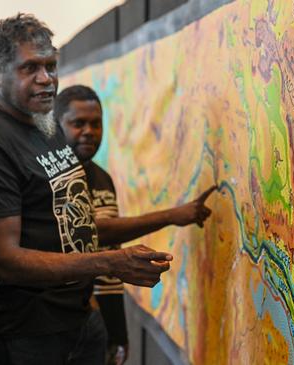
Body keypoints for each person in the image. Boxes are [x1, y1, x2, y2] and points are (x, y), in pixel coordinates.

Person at [0, 14, 187, 365]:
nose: (47, 79)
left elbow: (69, 221)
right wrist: (110, 261)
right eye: (30, 68)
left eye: (51, 66)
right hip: (24, 337)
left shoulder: (43, 121)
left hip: (77, 319)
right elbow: (6, 261)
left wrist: (88, 296)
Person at [55, 85, 217, 365]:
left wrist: (118, 332)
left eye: (96, 123)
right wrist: (171, 216)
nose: (89, 131)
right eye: (78, 123)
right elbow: (94, 231)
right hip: (69, 326)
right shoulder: (55, 180)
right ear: (57, 126)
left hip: (104, 324)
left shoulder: (102, 177)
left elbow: (109, 263)